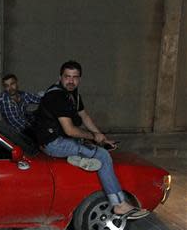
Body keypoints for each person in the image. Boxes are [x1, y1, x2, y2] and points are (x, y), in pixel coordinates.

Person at [34, 60, 149, 219]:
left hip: (60, 138)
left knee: (94, 146)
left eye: (75, 77)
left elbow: (84, 116)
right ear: (60, 77)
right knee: (102, 156)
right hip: (53, 144)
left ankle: (77, 157)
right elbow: (70, 130)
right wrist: (95, 138)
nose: (71, 81)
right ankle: (119, 204)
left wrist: (101, 136)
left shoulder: (73, 93)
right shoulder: (56, 96)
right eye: (67, 77)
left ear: (79, 79)